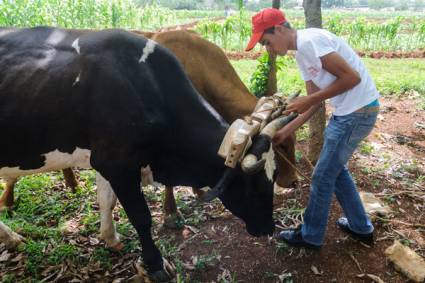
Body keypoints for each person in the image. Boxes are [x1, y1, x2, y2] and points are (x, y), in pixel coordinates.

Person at [245, 8, 379, 249]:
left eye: (267, 42)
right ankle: (361, 228)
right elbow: (314, 101)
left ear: (279, 29)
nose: (269, 49)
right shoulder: (301, 53)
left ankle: (311, 235)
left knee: (321, 177)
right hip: (349, 113)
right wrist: (287, 131)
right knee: (335, 172)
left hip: (357, 113)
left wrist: (307, 101)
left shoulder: (309, 41)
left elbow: (352, 78)